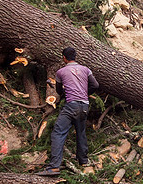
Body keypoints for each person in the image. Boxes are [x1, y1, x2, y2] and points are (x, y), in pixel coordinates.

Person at [37, 47, 99, 176]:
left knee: (58, 133)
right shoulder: (85, 69)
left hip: (71, 106)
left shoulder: (61, 72)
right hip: (84, 106)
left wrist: (66, 92)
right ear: (75, 57)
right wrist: (85, 94)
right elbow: (95, 85)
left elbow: (59, 92)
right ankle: (83, 160)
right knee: (81, 131)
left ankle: (54, 167)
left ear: (64, 58)